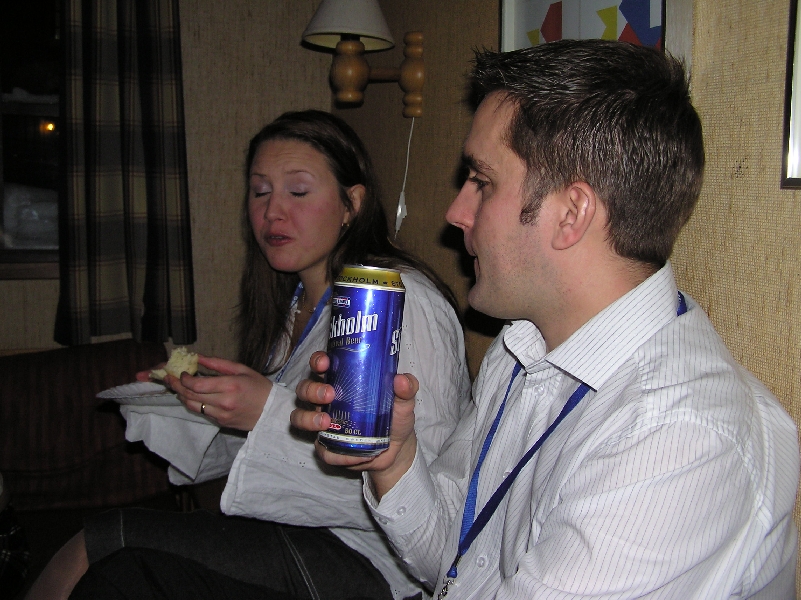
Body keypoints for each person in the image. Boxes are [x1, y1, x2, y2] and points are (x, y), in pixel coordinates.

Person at [288, 41, 800, 598]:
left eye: (482, 181)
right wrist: (395, 463)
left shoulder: (679, 438)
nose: (456, 213)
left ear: (571, 214)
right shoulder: (522, 349)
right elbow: (457, 566)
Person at [27, 110, 469, 600]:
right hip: (299, 531)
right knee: (109, 556)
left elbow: (425, 481)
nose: (273, 212)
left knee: (101, 544)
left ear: (352, 203)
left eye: (297, 191)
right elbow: (272, 452)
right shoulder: (294, 307)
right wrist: (198, 402)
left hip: (376, 564)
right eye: (260, 192)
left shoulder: (400, 303)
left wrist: (266, 410)